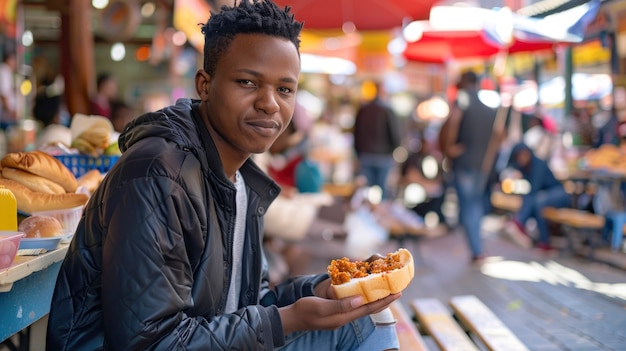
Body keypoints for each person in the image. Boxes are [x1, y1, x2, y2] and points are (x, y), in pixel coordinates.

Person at [46, 1, 400, 350]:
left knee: (365, 320)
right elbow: (149, 343)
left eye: (285, 89)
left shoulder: (241, 179)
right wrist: (287, 320)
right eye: (247, 82)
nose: (270, 103)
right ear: (205, 84)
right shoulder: (157, 175)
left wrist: (324, 289)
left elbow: (247, 302)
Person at [441, 71, 503, 262]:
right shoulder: (489, 108)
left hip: (465, 162)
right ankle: (477, 248)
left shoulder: (463, 101)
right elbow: (499, 135)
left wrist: (449, 148)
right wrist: (488, 158)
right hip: (481, 164)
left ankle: (477, 250)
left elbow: (453, 121)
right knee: (474, 205)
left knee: (469, 207)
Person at [504, 143, 571, 251]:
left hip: (560, 195)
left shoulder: (538, 164)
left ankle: (523, 226)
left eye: (523, 155)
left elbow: (535, 188)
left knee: (538, 201)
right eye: (519, 156)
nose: (522, 158)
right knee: (535, 200)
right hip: (543, 197)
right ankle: (522, 226)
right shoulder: (524, 167)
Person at [352, 81, 401, 199]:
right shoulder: (387, 110)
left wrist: (358, 153)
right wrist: (392, 151)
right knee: (381, 192)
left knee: (365, 191)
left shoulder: (363, 110)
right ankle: (378, 216)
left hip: (366, 155)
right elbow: (395, 135)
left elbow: (356, 134)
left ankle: (366, 216)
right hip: (383, 156)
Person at [0, 51, 18, 129]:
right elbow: (3, 93)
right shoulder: (5, 71)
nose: (15, 63)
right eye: (14, 60)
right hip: (4, 114)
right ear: (9, 60)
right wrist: (10, 112)